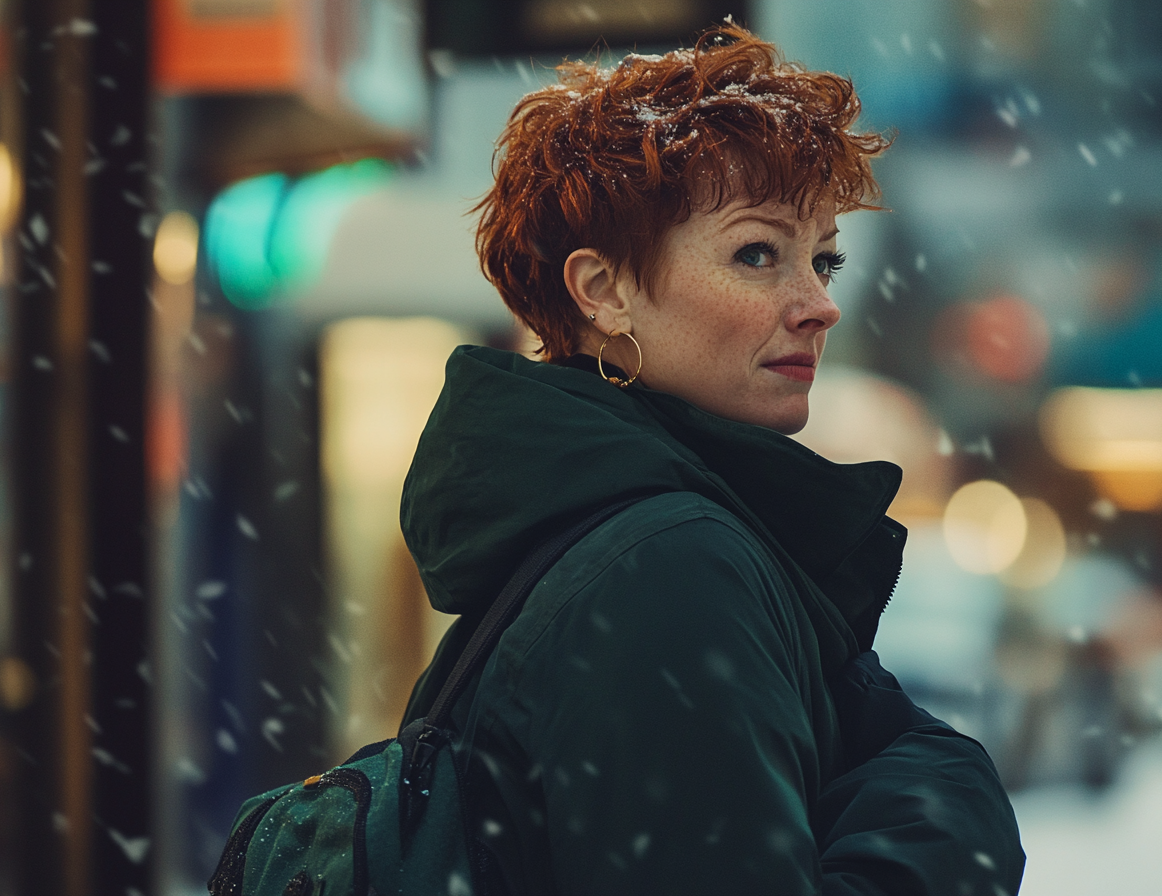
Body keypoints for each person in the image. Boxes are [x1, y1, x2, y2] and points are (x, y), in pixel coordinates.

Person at [398, 24, 1025, 895]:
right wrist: (953, 818)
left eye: (824, 260)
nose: (818, 306)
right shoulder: (662, 566)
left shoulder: (594, 536)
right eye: (757, 254)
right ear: (603, 292)